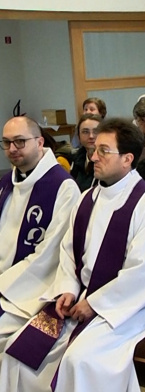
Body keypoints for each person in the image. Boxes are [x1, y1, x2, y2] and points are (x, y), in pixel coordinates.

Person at [0, 118, 145, 392]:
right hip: (81, 298)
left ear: (127, 158)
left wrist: (94, 303)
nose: (93, 156)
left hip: (131, 306)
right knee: (23, 350)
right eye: (93, 149)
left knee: (79, 359)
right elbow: (68, 255)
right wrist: (68, 291)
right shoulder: (87, 199)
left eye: (103, 151)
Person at [0, 117, 80, 353]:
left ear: (40, 142)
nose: (12, 149)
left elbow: (50, 255)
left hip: (29, 290)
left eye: (20, 141)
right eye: (6, 143)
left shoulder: (62, 187)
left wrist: (3, 283)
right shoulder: (6, 182)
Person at [70, 113, 103, 192]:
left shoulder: (109, 161)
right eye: (85, 132)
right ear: (78, 136)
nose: (91, 136)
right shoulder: (76, 159)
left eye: (96, 131)